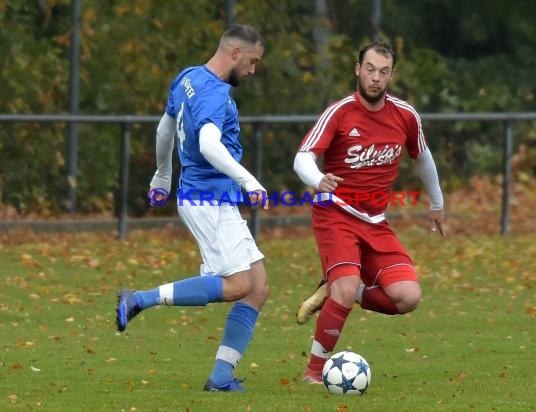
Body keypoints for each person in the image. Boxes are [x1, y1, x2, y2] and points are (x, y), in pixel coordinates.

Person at [115, 24, 269, 392]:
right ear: (235, 53)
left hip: (208, 197)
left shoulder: (188, 77)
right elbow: (210, 145)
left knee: (258, 286)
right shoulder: (215, 93)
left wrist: (162, 177)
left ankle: (220, 377)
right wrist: (250, 180)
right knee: (238, 285)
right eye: (252, 62)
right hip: (208, 199)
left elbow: (164, 129)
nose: (252, 70)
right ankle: (140, 300)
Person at [293, 40, 445, 383]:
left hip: (376, 221)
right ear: (358, 70)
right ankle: (314, 372)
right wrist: (318, 180)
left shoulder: (405, 115)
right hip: (335, 213)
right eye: (371, 69)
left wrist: (437, 204)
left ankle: (342, 291)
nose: (376, 77)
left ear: (392, 75)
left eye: (384, 71)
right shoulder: (340, 112)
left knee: (408, 297)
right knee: (344, 289)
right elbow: (302, 157)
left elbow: (422, 157)